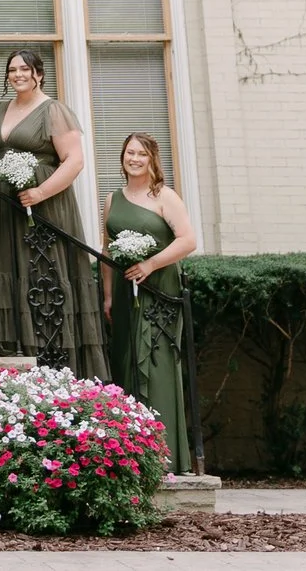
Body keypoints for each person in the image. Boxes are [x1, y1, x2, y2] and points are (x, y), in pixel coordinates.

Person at [0, 50, 109, 378]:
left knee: (42, 276)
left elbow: (74, 161)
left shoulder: (53, 111)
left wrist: (40, 192)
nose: (18, 74)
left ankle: (55, 365)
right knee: (8, 273)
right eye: (12, 70)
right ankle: (10, 360)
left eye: (24, 69)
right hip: (3, 212)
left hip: (44, 208)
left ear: (39, 73)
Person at [104, 130, 198, 470]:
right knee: (126, 360)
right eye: (130, 152)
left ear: (152, 159)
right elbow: (106, 250)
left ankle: (164, 456)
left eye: (141, 154)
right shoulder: (112, 199)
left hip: (159, 291)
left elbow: (187, 241)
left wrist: (150, 264)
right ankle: (131, 455)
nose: (135, 159)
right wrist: (107, 296)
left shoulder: (165, 196)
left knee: (157, 366)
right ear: (122, 157)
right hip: (124, 293)